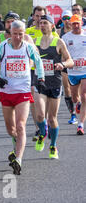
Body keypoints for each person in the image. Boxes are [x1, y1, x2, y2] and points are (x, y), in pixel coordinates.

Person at [0, 20, 45, 175]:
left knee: (21, 126)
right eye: (15, 34)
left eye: (21, 34)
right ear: (10, 33)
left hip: (23, 91)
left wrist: (40, 79)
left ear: (24, 33)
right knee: (11, 129)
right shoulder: (3, 47)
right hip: (7, 91)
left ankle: (18, 160)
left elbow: (39, 62)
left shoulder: (28, 47)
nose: (18, 37)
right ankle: (16, 144)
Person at [33, 15, 73, 159]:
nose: (42, 25)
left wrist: (62, 64)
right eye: (40, 23)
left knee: (52, 118)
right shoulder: (34, 42)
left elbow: (70, 61)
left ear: (51, 26)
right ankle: (43, 133)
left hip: (55, 83)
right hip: (40, 82)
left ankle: (53, 145)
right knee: (39, 114)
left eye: (45, 23)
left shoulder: (58, 42)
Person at [62, 13, 86, 135]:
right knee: (75, 97)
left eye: (78, 23)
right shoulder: (66, 38)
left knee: (84, 95)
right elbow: (62, 54)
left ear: (81, 23)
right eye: (74, 23)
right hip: (72, 71)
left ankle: (81, 125)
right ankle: (78, 104)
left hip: (84, 70)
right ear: (71, 24)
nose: (76, 26)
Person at [57, 10, 78, 124]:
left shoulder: (78, 31)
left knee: (77, 93)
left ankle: (78, 104)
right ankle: (73, 114)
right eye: (64, 18)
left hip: (78, 65)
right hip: (65, 64)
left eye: (68, 18)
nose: (67, 21)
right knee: (67, 89)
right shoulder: (59, 32)